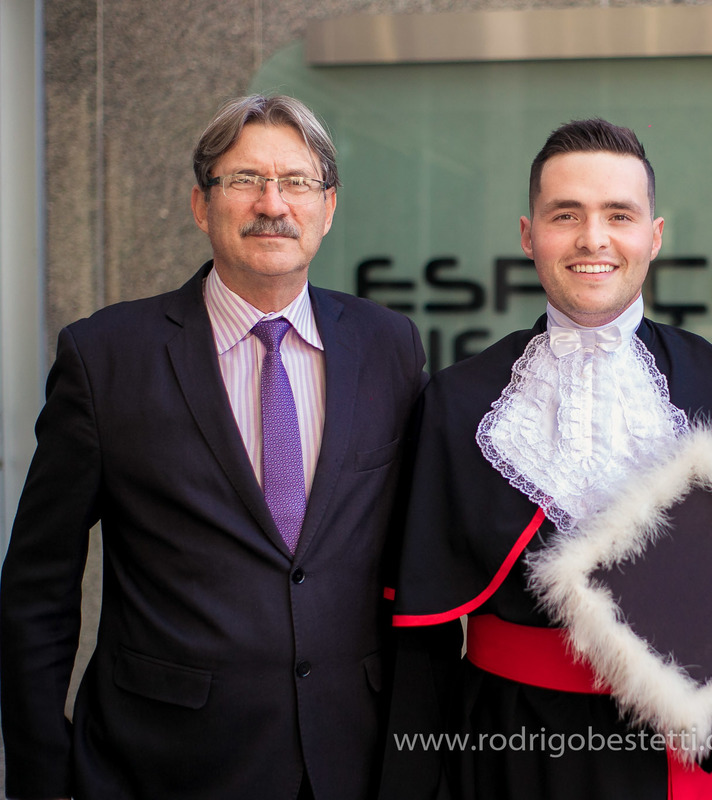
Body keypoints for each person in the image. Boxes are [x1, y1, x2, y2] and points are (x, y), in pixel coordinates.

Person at [380, 118, 712, 800]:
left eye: (618, 215)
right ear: (529, 236)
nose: (593, 238)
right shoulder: (457, 401)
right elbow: (421, 637)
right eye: (566, 215)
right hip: (505, 752)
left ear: (653, 237)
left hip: (684, 757)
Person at [0, 94, 427, 800]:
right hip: (159, 764)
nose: (273, 203)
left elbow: (414, 561)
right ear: (202, 204)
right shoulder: (104, 357)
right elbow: (38, 590)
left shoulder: (388, 346)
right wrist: (44, 776)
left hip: (351, 758)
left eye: (297, 182)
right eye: (244, 180)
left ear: (328, 207)